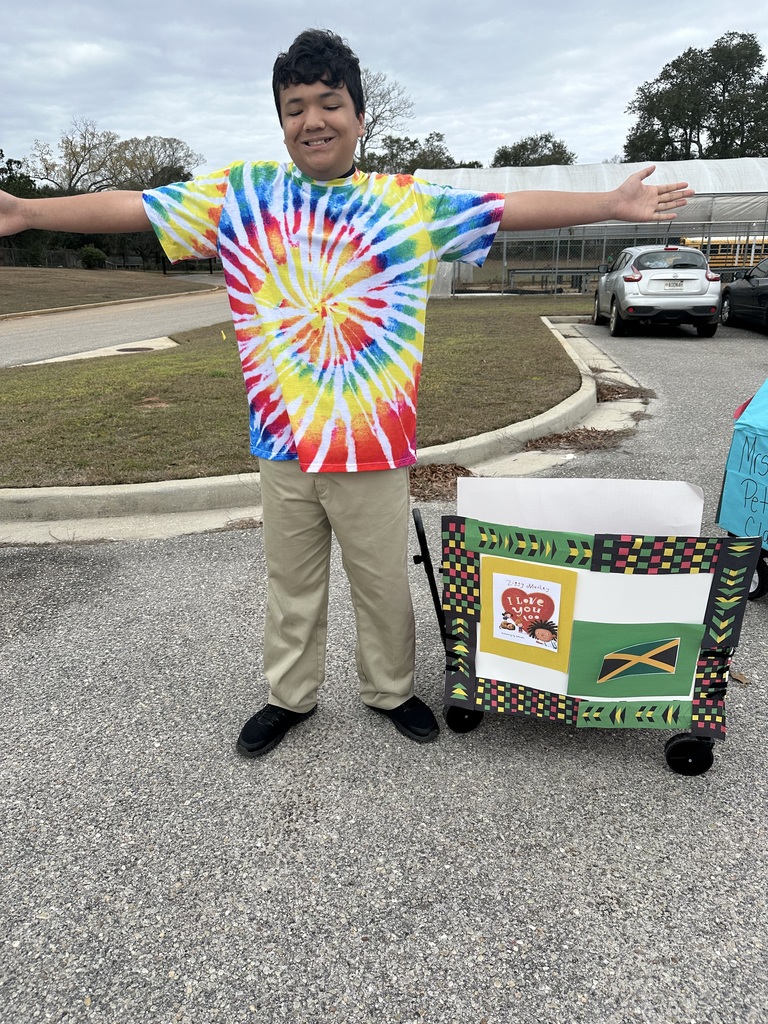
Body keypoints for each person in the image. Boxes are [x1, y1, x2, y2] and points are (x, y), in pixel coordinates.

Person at [0, 29, 694, 759]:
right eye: (295, 106)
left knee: (381, 583)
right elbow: (136, 207)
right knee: (289, 586)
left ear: (360, 118)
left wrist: (612, 201)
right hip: (282, 442)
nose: (313, 120)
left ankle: (390, 689)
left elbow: (506, 206)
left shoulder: (405, 205)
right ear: (281, 121)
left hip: (374, 444)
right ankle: (288, 698)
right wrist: (26, 212)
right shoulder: (243, 196)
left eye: (329, 103)